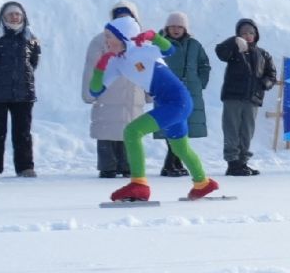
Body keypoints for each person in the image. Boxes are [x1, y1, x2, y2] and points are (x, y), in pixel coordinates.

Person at [88, 13, 218, 203]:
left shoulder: (142, 50)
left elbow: (170, 50)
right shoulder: (116, 62)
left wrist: (153, 36)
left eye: (109, 36)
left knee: (132, 131)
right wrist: (100, 67)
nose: (106, 41)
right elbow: (95, 90)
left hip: (178, 100)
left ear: (123, 36)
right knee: (180, 147)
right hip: (167, 103)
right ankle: (203, 183)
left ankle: (139, 185)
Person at [84, 0, 147, 179]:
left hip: (132, 94)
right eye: (119, 17)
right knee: (106, 130)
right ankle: (107, 166)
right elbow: (92, 67)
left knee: (129, 130)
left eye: (127, 16)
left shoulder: (139, 43)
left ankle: (127, 164)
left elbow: (145, 67)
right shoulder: (100, 40)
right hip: (108, 91)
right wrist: (89, 91)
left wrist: (148, 91)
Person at [212, 17, 277, 176]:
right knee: (231, 129)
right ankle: (232, 162)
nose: (248, 35)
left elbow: (272, 74)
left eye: (251, 33)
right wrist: (234, 41)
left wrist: (264, 84)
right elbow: (220, 52)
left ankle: (242, 162)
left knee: (247, 131)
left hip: (252, 99)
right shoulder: (234, 50)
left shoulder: (263, 54)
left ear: (256, 35)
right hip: (233, 97)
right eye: (243, 33)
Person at [0, 1, 41, 177]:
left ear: (23, 17)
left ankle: (25, 167)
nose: (14, 17)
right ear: (3, 17)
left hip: (24, 94)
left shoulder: (31, 39)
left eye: (17, 14)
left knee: (23, 133)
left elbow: (33, 62)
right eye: (10, 14)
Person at [155, 13, 213, 178]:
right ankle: (170, 165)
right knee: (171, 125)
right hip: (167, 92)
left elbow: (204, 65)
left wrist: (199, 83)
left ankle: (175, 163)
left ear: (185, 29)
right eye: (173, 26)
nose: (176, 30)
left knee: (182, 128)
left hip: (189, 92)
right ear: (167, 27)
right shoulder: (160, 45)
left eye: (180, 27)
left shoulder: (194, 45)